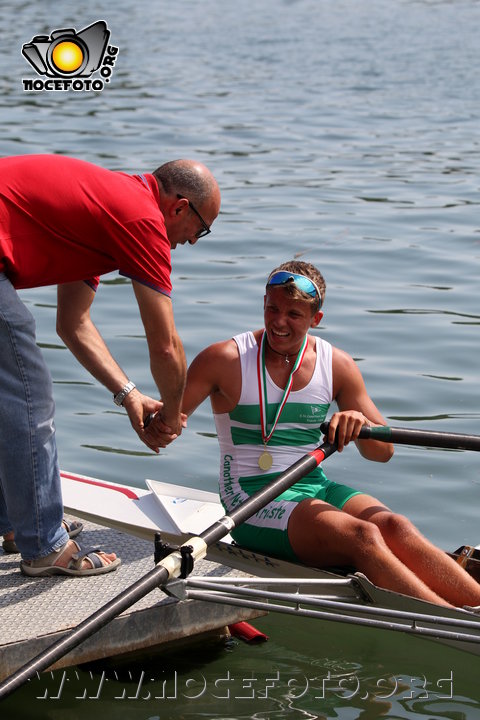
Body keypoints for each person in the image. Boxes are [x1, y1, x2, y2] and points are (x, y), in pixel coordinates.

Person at [150, 259, 480, 609]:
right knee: (364, 535)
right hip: (250, 499)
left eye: (294, 314)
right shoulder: (224, 359)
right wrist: (154, 420)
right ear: (263, 302)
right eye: (273, 308)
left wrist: (359, 425)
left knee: (395, 526)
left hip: (313, 484)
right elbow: (164, 428)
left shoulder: (336, 364)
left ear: (315, 319)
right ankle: (454, 625)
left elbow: (383, 453)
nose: (279, 322)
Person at [0, 153, 221, 577]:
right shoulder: (141, 220)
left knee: (10, 398)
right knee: (30, 399)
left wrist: (129, 395)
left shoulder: (105, 214)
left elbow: (73, 325)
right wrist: (172, 416)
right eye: (201, 229)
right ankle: (44, 546)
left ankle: (14, 524)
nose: (193, 241)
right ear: (178, 207)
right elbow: (166, 348)